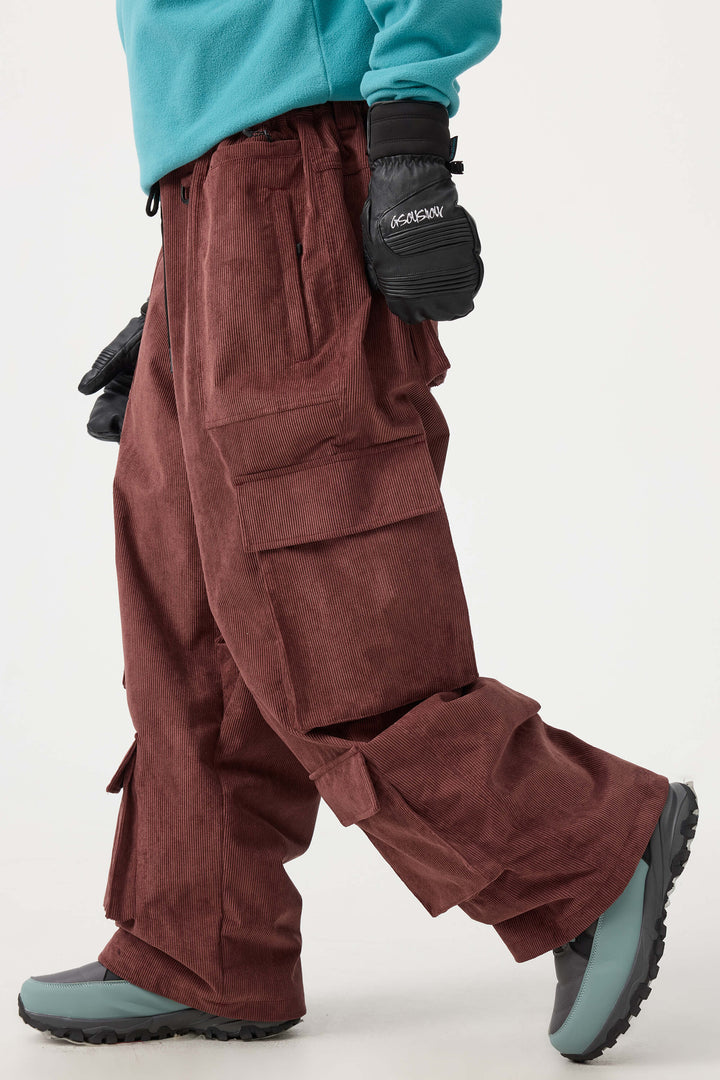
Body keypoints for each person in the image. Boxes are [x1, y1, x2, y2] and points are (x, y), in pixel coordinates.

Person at [17, 0, 699, 1062]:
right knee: (188, 617)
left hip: (293, 184)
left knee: (329, 611)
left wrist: (409, 139)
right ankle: (204, 945)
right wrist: (190, 293)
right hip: (210, 209)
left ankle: (586, 857)